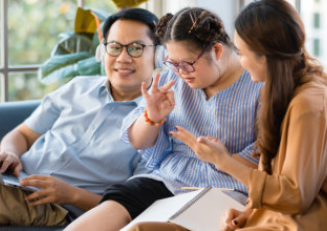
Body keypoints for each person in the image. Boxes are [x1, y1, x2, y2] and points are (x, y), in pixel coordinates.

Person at [126, 0, 327, 230]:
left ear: (266, 55)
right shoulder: (285, 93)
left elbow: (294, 196)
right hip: (263, 215)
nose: (239, 61)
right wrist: (248, 211)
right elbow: (273, 177)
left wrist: (222, 161)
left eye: (241, 52)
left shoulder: (308, 104)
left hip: (289, 223)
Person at [65, 7, 264, 231]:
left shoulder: (258, 84)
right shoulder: (172, 76)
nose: (179, 72)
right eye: (172, 62)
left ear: (217, 50)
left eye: (186, 64)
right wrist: (152, 117)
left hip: (226, 192)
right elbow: (137, 141)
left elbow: (267, 161)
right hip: (166, 182)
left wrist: (221, 158)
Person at [0, 8, 161, 226]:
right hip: (11, 181)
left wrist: (71, 195)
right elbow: (22, 134)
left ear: (159, 55)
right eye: (114, 47)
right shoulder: (77, 87)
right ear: (102, 51)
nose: (123, 58)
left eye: (136, 48)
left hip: (56, 207)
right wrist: (9, 152)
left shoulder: (153, 125)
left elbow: (134, 206)